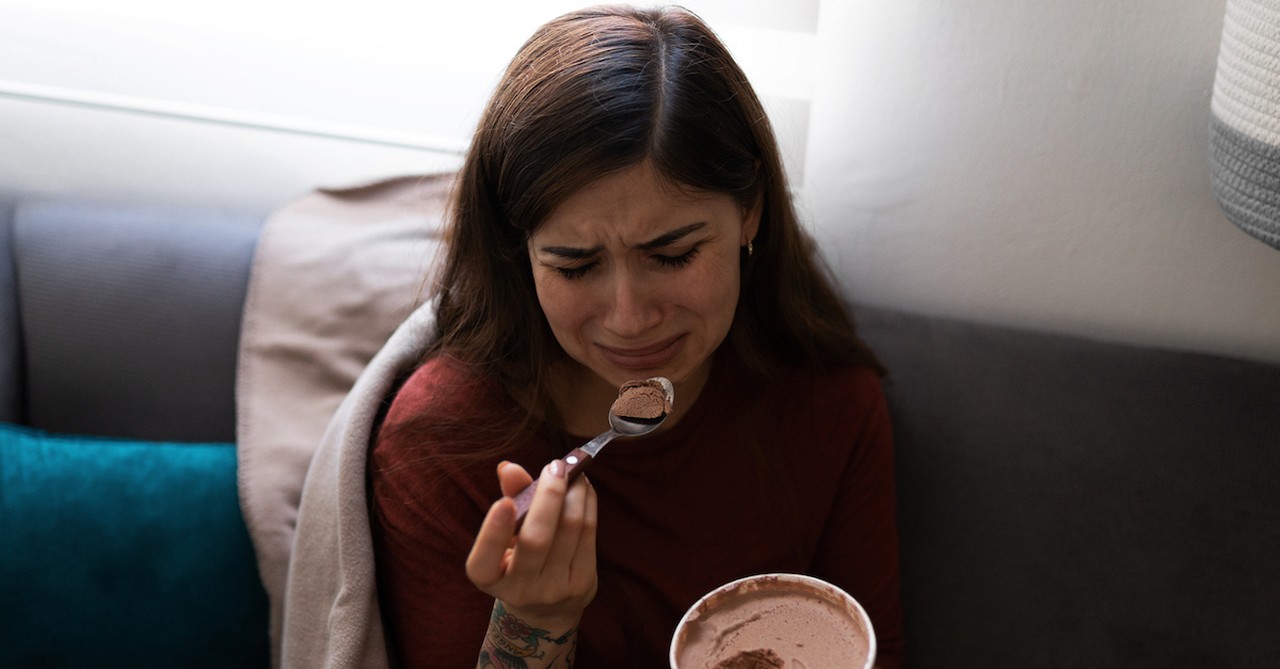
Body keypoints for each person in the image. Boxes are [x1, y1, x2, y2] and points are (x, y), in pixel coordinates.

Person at [367, 5, 904, 667]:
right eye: (575, 265)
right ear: (519, 250)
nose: (628, 317)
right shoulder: (442, 440)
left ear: (750, 212)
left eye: (673, 255)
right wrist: (536, 625)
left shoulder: (829, 408)